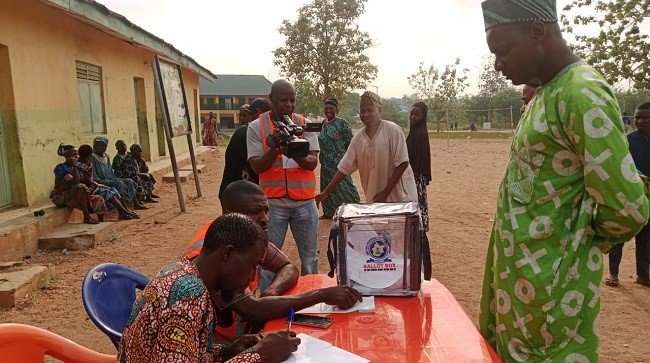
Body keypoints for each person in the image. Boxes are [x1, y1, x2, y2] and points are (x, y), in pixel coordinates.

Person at [478, 1, 649, 361]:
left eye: (502, 51)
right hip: (520, 289)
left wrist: (573, 250)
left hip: (552, 298)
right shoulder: (545, 92)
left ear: (537, 32)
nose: (497, 65)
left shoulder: (581, 92)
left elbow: (628, 207)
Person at [184, 180, 361, 340]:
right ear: (230, 214)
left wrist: (271, 293)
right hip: (210, 342)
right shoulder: (210, 261)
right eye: (255, 212)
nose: (265, 218)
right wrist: (322, 295)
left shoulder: (245, 237)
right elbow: (253, 310)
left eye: (267, 210)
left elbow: (288, 266)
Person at [119, 214, 300, 362]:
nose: (252, 277)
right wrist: (258, 356)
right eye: (252, 266)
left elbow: (188, 352)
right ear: (228, 253)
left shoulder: (185, 271)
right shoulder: (187, 296)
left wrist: (229, 350)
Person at [247, 79, 320, 287]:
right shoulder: (256, 127)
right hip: (272, 204)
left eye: (292, 100)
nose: (289, 105)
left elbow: (312, 163)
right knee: (267, 259)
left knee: (310, 259)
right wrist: (275, 149)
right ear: (271, 100)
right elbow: (257, 167)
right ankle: (268, 304)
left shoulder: (304, 124)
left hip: (305, 203)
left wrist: (292, 150)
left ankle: (312, 297)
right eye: (283, 100)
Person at [316, 91, 418, 205]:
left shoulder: (392, 130)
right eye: (362, 111)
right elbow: (344, 168)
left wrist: (385, 192)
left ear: (379, 110)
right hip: (375, 198)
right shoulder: (358, 138)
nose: (365, 114)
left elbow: (403, 163)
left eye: (370, 110)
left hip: (400, 199)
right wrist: (325, 193)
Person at [605, 102, 650, 287]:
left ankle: (643, 275)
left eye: (645, 118)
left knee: (645, 237)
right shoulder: (627, 140)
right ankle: (614, 275)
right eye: (637, 117)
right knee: (620, 234)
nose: (640, 121)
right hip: (628, 195)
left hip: (648, 199)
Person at [218, 99, 272, 201]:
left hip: (240, 193)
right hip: (237, 195)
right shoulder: (245, 133)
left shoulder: (255, 132)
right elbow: (254, 168)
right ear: (260, 113)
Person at [317, 97, 360, 219]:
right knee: (326, 187)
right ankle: (329, 212)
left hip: (339, 163)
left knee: (345, 186)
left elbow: (349, 144)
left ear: (336, 109)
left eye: (331, 108)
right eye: (326, 108)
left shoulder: (342, 123)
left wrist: (346, 159)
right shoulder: (323, 124)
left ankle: (356, 208)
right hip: (325, 162)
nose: (328, 111)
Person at [77, 144, 139, 221]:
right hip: (87, 188)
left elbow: (91, 179)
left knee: (113, 190)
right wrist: (99, 185)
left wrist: (99, 185)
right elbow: (86, 180)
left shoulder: (88, 163)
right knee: (108, 191)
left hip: (93, 186)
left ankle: (122, 212)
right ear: (89, 154)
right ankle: (124, 211)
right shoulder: (79, 165)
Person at [50, 144, 105, 224]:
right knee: (80, 187)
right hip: (61, 197)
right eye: (73, 155)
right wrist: (75, 166)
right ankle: (86, 217)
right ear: (66, 156)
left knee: (99, 198)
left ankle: (101, 223)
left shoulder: (79, 166)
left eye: (77, 154)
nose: (76, 157)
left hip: (76, 196)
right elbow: (75, 182)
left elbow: (84, 180)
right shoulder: (60, 168)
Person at [90, 136, 146, 210]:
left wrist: (113, 179)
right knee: (119, 183)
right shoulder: (92, 158)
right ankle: (124, 207)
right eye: (97, 145)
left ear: (105, 147)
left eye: (102, 145)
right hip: (100, 181)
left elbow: (110, 171)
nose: (100, 147)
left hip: (110, 178)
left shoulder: (106, 156)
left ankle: (136, 203)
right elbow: (95, 177)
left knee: (129, 181)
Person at [407, 102, 431, 231]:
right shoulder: (415, 132)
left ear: (423, 116)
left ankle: (419, 229)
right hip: (414, 175)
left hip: (415, 177)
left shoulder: (419, 134)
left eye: (417, 114)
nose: (413, 117)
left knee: (416, 203)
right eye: (411, 113)